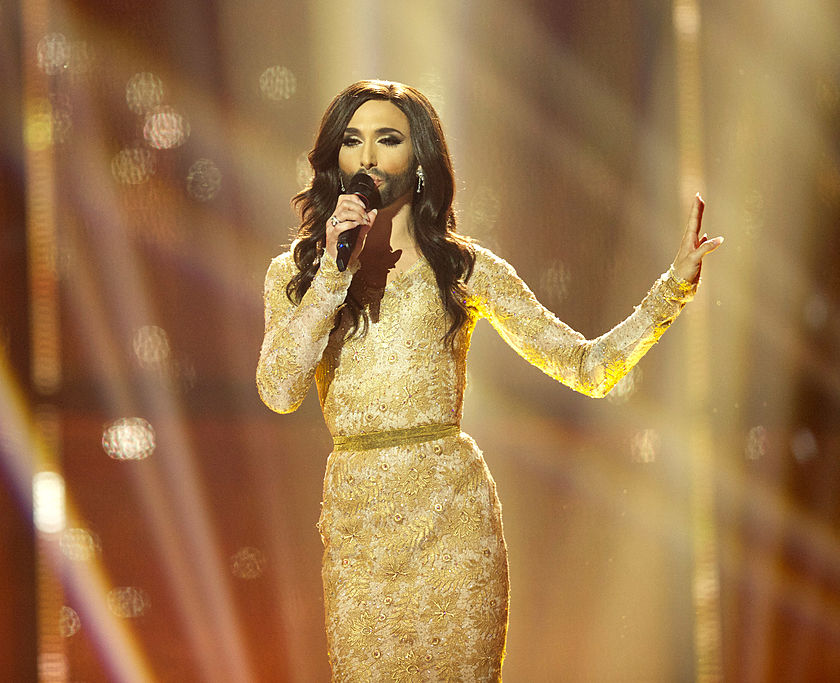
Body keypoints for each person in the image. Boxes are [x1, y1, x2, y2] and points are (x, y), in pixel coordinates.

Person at [256, 79, 722, 681]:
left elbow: (587, 368)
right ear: (334, 160)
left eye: (387, 140)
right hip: (359, 530)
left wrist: (672, 289)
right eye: (352, 141)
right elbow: (278, 390)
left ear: (418, 159)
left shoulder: (461, 267)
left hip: (454, 524)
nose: (367, 157)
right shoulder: (296, 274)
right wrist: (331, 275)